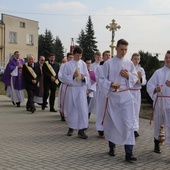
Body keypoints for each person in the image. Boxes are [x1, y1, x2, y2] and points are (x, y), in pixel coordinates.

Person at [98, 39, 138, 162]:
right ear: (116, 49)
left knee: (128, 124)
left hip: (126, 97)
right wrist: (110, 84)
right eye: (121, 49)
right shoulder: (108, 63)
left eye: (126, 50)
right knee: (113, 124)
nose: (124, 52)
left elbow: (135, 77)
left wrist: (128, 76)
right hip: (113, 97)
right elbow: (101, 79)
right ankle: (112, 147)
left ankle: (129, 153)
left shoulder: (129, 63)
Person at [62, 46, 89, 139]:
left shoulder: (83, 64)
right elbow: (63, 77)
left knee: (82, 109)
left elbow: (87, 76)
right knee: (71, 108)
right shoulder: (67, 65)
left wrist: (83, 78)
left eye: (80, 56)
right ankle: (71, 127)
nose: (79, 58)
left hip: (81, 89)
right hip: (72, 88)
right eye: (77, 55)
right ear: (73, 55)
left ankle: (81, 130)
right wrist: (72, 76)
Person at [147, 50, 170, 154]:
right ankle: (156, 143)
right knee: (158, 123)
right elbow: (149, 85)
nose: (168, 60)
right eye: (166, 57)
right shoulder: (158, 72)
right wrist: (156, 89)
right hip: (160, 102)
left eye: (169, 58)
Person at [130, 53, 147, 137]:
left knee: (136, 111)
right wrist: (135, 80)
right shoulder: (128, 68)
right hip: (129, 91)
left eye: (138, 59)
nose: (136, 60)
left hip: (136, 92)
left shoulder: (141, 69)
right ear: (131, 59)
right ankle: (128, 128)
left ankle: (135, 129)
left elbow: (143, 82)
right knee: (129, 110)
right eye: (135, 59)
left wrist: (140, 78)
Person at [95, 50, 111, 138]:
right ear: (103, 57)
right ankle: (100, 129)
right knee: (102, 111)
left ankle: (109, 129)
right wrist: (107, 85)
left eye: (109, 55)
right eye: (106, 55)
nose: (108, 57)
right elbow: (99, 80)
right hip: (102, 93)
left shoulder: (113, 66)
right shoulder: (99, 68)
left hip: (111, 93)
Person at [58, 52, 73, 121]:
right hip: (65, 85)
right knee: (64, 100)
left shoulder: (75, 65)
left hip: (72, 86)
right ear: (67, 58)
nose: (71, 59)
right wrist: (67, 80)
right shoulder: (64, 65)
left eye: (72, 57)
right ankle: (63, 113)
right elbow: (60, 75)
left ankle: (70, 114)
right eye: (70, 57)